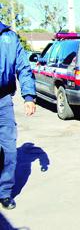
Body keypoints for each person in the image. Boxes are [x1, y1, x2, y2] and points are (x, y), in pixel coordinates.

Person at [0, 21, 36, 210]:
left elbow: (23, 67)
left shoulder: (9, 37)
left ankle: (4, 192)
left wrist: (29, 96)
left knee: (9, 149)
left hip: (3, 100)